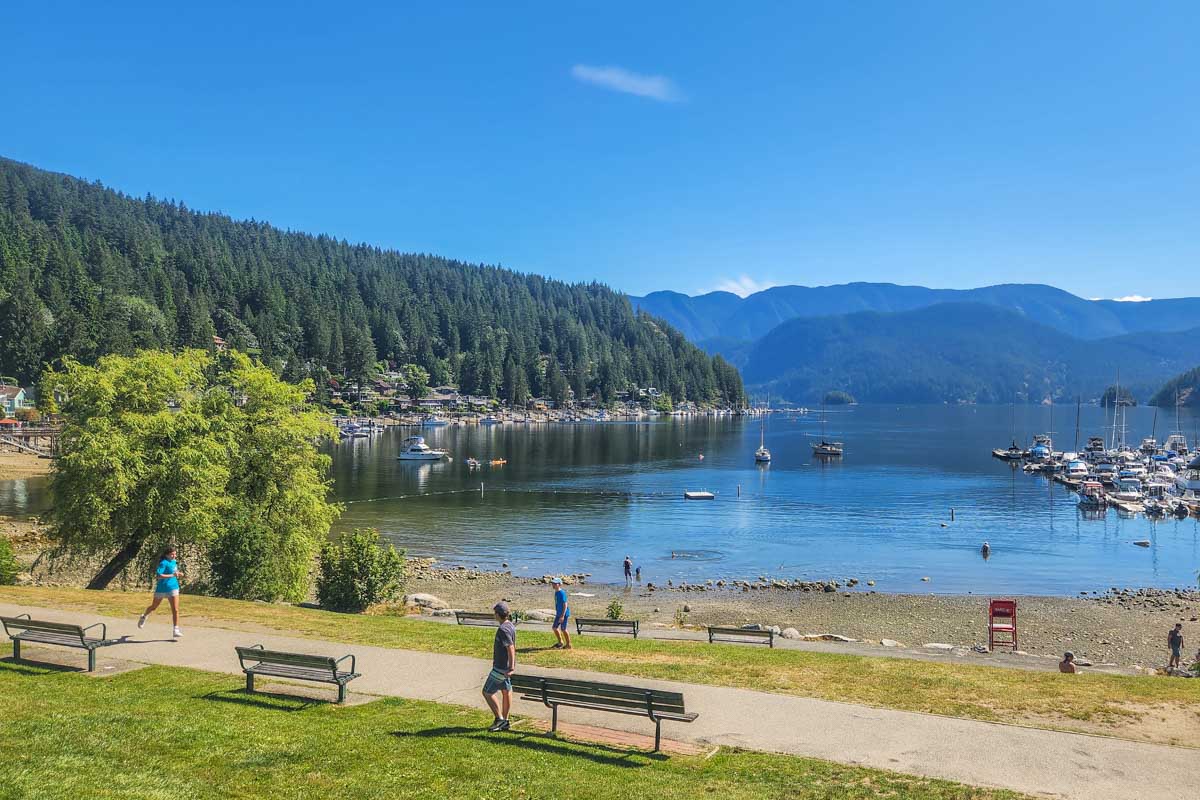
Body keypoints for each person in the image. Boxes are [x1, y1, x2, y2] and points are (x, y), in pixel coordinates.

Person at [482, 601, 516, 732]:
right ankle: (505, 721)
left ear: (498, 614)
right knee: (506, 692)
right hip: (505, 668)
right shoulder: (510, 626)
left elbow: (510, 647)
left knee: (487, 692)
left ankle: (499, 719)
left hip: (501, 668)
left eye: (494, 613)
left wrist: (511, 668)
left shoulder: (503, 629)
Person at [138, 546, 184, 638]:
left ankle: (176, 629)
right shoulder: (163, 563)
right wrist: (172, 575)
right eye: (172, 554)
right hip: (161, 589)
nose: (174, 556)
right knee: (154, 607)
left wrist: (178, 574)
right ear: (166, 555)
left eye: (175, 554)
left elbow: (174, 572)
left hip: (173, 588)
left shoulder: (174, 562)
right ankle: (144, 616)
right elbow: (159, 576)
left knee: (175, 609)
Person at [551, 577, 571, 649]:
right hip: (558, 614)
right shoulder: (556, 592)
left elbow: (565, 604)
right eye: (552, 583)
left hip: (563, 614)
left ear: (559, 584)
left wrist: (562, 616)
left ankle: (568, 644)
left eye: (555, 584)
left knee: (563, 629)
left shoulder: (561, 593)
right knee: (554, 628)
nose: (553, 585)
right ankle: (560, 642)